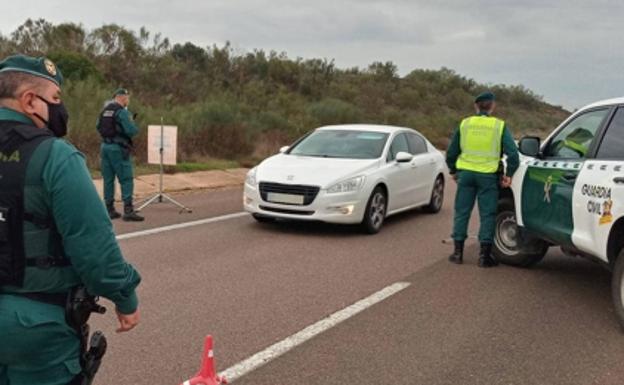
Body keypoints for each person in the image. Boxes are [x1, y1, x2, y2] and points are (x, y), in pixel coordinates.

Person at [0, 55, 141, 385]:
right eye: (56, 99)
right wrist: (125, 296)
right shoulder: (56, 157)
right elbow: (95, 251)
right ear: (30, 101)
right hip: (37, 328)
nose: (60, 109)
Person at [446, 91, 520, 267]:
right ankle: (484, 256)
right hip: (488, 176)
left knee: (462, 212)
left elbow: (452, 152)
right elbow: (513, 154)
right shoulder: (499, 126)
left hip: (466, 175)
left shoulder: (465, 124)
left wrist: (453, 170)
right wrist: (509, 174)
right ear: (492, 106)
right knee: (487, 215)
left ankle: (457, 253)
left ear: (476, 106)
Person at [97, 88, 143, 221]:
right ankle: (128, 211)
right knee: (126, 178)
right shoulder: (122, 112)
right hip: (118, 148)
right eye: (127, 98)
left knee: (108, 179)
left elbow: (98, 126)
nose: (128, 100)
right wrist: (132, 122)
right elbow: (131, 131)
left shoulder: (105, 110)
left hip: (105, 147)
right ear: (123, 97)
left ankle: (109, 209)